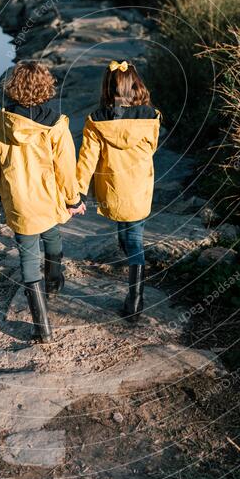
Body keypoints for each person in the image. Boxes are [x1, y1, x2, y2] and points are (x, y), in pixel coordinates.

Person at [0, 61, 85, 343]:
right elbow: (66, 167)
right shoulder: (55, 123)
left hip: (20, 199)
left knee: (28, 258)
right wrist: (73, 198)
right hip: (48, 197)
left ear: (13, 87)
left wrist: (1, 189)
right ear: (46, 87)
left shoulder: (2, 122)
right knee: (52, 232)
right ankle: (55, 279)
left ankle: (42, 327)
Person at [76, 60, 161, 323]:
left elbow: (87, 160)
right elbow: (152, 148)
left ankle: (135, 299)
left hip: (113, 187)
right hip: (139, 186)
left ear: (107, 87)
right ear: (135, 85)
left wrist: (77, 192)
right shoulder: (151, 116)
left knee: (128, 237)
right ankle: (136, 297)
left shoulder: (96, 121)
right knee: (133, 235)